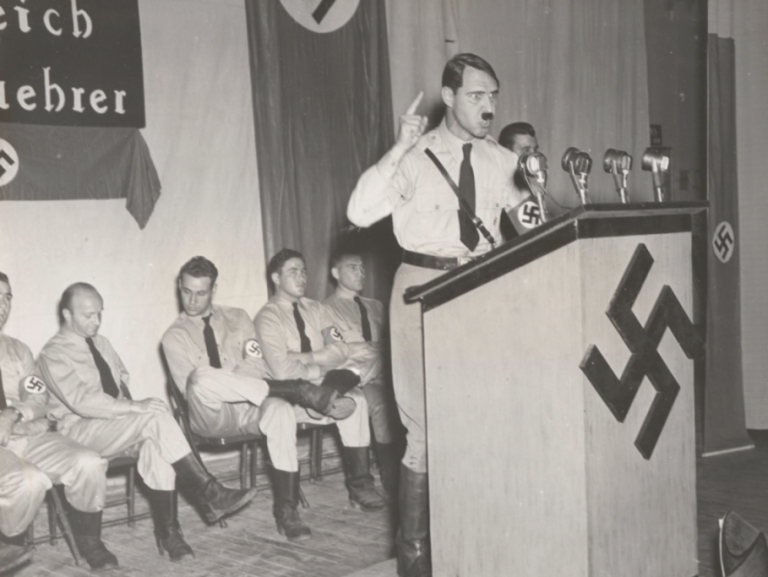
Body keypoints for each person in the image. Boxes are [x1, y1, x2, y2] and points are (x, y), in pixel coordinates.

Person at [347, 53, 528, 577]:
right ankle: (417, 560)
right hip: (422, 290)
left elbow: (539, 228)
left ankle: (480, 545)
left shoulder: (502, 161)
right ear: (448, 97)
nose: (488, 106)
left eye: (493, 95)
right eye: (476, 95)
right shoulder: (416, 155)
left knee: (483, 420)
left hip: (481, 288)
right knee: (424, 428)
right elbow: (359, 212)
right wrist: (399, 147)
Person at [37, 283, 258, 568]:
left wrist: (133, 410)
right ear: (67, 314)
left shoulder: (102, 343)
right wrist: (133, 409)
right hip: (79, 431)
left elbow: (121, 379)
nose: (96, 321)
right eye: (88, 316)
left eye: (99, 314)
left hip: (113, 427)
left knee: (157, 440)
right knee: (152, 416)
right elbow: (82, 401)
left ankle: (169, 533)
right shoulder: (52, 354)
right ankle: (208, 492)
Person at [161, 256, 358, 542]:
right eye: (186, 291)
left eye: (201, 292)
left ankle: (287, 511)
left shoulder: (238, 318)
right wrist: (235, 379)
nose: (192, 300)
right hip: (210, 415)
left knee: (279, 409)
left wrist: (239, 382)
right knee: (202, 377)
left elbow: (256, 364)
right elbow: (190, 390)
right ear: (179, 286)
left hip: (250, 406)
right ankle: (297, 390)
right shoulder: (172, 338)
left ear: (214, 290)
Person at [254, 249, 387, 520]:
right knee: (352, 380)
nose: (302, 277)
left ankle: (360, 484)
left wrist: (306, 359)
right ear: (276, 277)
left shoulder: (317, 308)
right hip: (293, 393)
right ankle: (287, 509)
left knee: (358, 398)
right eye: (293, 272)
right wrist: (318, 362)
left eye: (304, 271)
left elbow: (340, 349)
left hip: (325, 383)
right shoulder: (267, 317)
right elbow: (280, 369)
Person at [0, 272, 108, 574]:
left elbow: (36, 398)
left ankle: (90, 541)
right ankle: (8, 551)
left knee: (88, 462)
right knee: (29, 481)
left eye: (7, 297)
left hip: (24, 434)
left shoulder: (18, 350)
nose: (2, 305)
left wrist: (13, 415)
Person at [322, 248, 400, 498]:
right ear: (336, 273)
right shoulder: (325, 309)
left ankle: (346, 381)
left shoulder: (376, 306)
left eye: (363, 268)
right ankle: (391, 474)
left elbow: (393, 343)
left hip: (382, 374)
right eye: (353, 267)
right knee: (382, 403)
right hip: (356, 377)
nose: (361, 272)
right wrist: (375, 350)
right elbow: (338, 350)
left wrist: (373, 349)